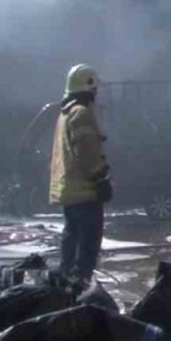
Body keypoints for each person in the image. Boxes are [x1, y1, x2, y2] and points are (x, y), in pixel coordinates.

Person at [49, 64, 112, 289]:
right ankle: (79, 289)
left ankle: (64, 288)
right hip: (85, 193)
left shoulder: (65, 114)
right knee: (87, 246)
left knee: (71, 242)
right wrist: (100, 178)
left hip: (70, 193)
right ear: (89, 89)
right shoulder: (81, 113)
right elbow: (86, 149)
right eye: (94, 90)